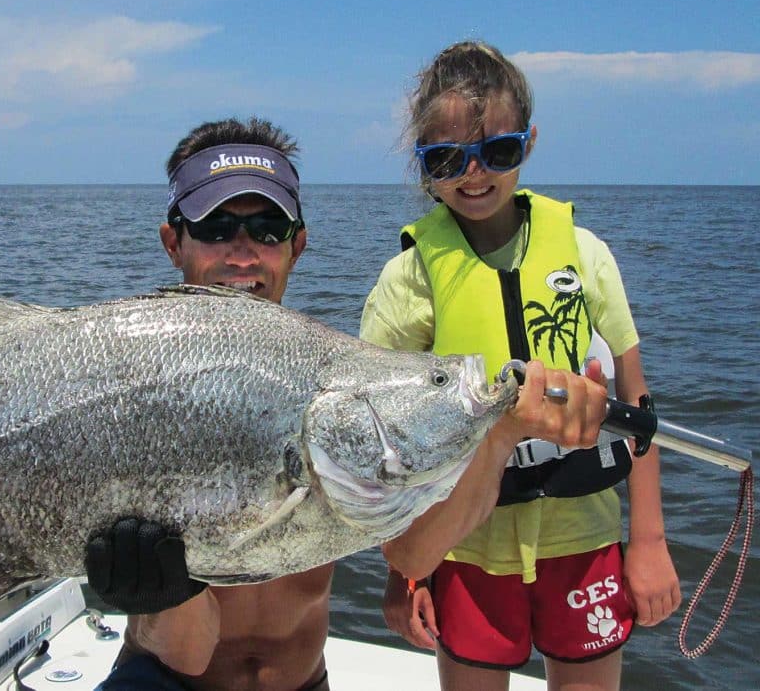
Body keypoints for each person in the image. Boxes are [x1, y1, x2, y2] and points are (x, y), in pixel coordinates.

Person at [87, 116, 613, 691]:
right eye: (215, 227)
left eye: (267, 228)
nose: (242, 253)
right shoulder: (126, 388)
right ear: (173, 242)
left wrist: (501, 433)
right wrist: (167, 590)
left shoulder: (340, 388)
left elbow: (412, 554)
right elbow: (185, 654)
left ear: (297, 245)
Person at [362, 41, 682, 691]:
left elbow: (639, 406)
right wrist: (407, 576)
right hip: (464, 543)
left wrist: (647, 543)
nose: (473, 174)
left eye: (498, 152)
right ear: (421, 166)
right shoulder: (407, 281)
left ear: (529, 143)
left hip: (585, 536)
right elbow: (390, 449)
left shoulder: (587, 256)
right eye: (447, 158)